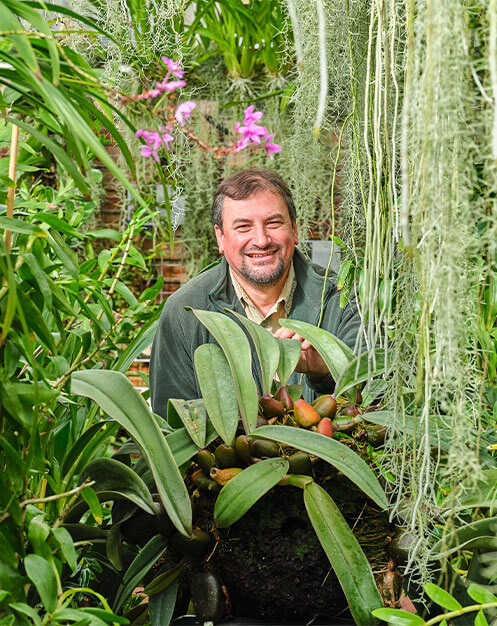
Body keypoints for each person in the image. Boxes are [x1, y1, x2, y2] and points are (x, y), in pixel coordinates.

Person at [149, 168, 362, 420]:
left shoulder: (345, 300)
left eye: (273, 223)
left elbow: (374, 406)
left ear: (294, 229)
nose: (261, 240)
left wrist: (324, 373)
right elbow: (173, 428)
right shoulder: (185, 314)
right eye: (243, 227)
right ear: (221, 237)